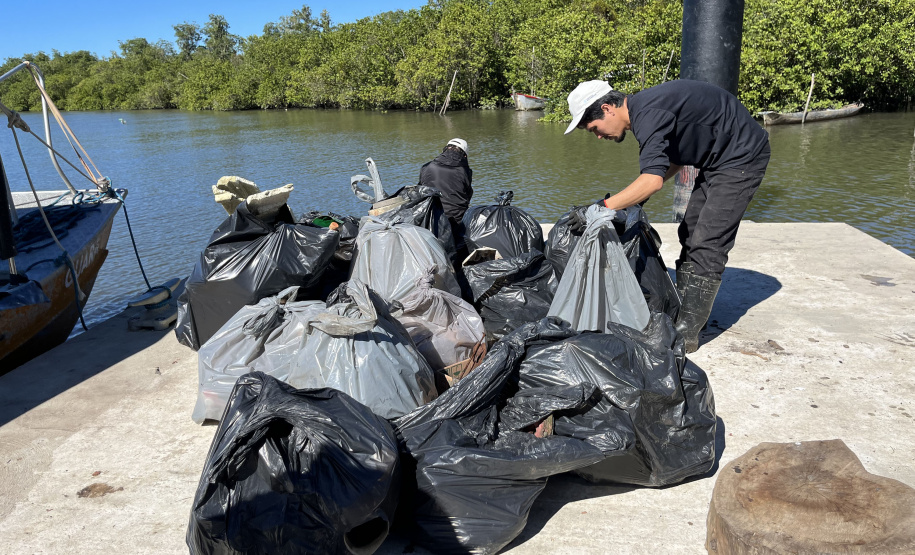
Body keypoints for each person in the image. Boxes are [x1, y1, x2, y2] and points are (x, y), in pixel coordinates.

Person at [565, 79, 770, 352]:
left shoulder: (648, 115)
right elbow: (668, 164)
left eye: (594, 129)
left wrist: (602, 207)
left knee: (708, 240)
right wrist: (631, 200)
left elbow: (652, 180)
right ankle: (686, 312)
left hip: (742, 157)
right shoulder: (646, 111)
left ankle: (687, 333)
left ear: (607, 108)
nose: (599, 136)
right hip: (717, 160)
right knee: (690, 230)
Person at [418, 138, 473, 236]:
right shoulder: (465, 171)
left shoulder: (427, 167)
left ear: (445, 150)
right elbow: (468, 196)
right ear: (464, 155)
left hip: (431, 216)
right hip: (456, 219)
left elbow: (420, 191)